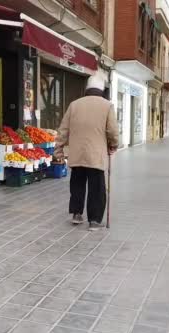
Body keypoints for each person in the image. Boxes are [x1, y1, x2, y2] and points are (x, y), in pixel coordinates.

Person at [54, 75, 119, 231]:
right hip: (96, 155)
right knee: (97, 187)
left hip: (77, 153)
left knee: (77, 184)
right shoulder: (107, 105)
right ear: (102, 90)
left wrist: (59, 151)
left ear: (87, 89)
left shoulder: (74, 105)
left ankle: (76, 214)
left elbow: (63, 130)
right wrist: (114, 145)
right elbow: (112, 131)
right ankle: (94, 220)